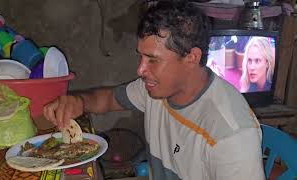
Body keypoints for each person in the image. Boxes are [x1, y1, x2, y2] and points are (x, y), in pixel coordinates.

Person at [43, 1, 265, 179]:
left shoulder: (231, 135)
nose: (140, 70)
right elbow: (108, 99)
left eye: (152, 60)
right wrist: (79, 102)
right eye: (140, 56)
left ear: (191, 58)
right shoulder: (156, 90)